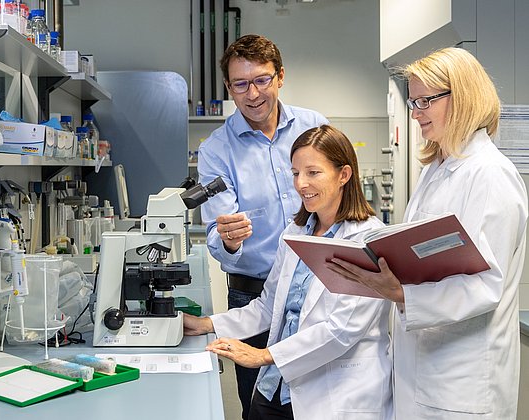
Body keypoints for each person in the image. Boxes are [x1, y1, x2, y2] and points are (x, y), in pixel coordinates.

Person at [327, 47, 528, 419]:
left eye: (424, 101)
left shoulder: (489, 174)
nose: (415, 112)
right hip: (422, 368)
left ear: (463, 97)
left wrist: (401, 293)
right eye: (412, 100)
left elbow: (484, 285)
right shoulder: (438, 168)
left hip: (462, 381)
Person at [186, 125, 393, 420]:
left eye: (313, 173)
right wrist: (207, 324)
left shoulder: (367, 240)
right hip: (275, 388)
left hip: (335, 393)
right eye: (296, 173)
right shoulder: (297, 231)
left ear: (344, 175)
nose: (301, 184)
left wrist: (263, 356)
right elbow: (268, 307)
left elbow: (342, 328)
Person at [197, 34, 327, 418]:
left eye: (262, 80)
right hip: (252, 294)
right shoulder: (216, 149)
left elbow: (338, 199)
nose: (252, 94)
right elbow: (216, 237)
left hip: (318, 287)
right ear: (228, 87)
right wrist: (229, 240)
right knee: (260, 406)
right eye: (240, 84)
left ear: (280, 77)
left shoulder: (313, 127)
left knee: (318, 400)